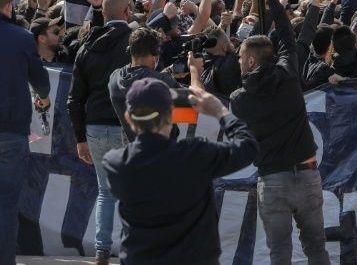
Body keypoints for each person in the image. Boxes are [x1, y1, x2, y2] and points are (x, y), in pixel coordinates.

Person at [229, 0, 331, 265]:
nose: (237, 61)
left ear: (250, 61)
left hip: (273, 181)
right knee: (317, 249)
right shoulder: (289, 76)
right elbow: (288, 34)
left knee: (279, 253)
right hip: (308, 176)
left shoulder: (239, 99)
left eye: (240, 58)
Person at [102, 78, 258, 264]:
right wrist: (220, 111)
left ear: (128, 117)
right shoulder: (195, 155)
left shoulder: (115, 163)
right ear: (171, 115)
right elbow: (248, 147)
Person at [67, 0, 134, 264]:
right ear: (127, 13)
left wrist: (80, 137)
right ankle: (132, 250)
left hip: (94, 127)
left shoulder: (86, 45)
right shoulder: (135, 42)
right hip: (126, 126)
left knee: (105, 192)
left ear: (104, 15)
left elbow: (74, 98)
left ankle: (102, 250)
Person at [0, 0, 50, 265]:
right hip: (11, 129)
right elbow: (40, 80)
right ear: (9, 5)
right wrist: (42, 98)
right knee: (7, 203)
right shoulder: (21, 37)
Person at [108, 28, 181, 141]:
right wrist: (195, 71)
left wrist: (167, 73)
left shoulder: (114, 77)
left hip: (133, 150)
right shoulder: (164, 82)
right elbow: (191, 110)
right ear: (155, 53)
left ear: (130, 50)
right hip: (164, 152)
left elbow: (140, 81)